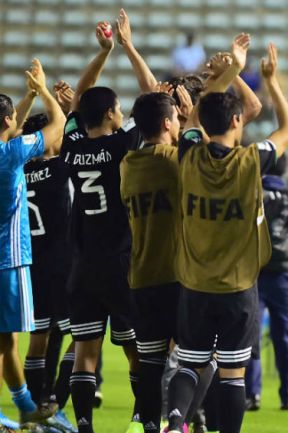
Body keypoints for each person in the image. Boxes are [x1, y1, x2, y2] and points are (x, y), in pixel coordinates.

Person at [166, 35, 288, 433]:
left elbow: (192, 124)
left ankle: (174, 419)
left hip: (195, 281)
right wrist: (267, 79)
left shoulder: (189, 154)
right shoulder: (250, 161)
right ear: (238, 121)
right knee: (233, 373)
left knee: (190, 362)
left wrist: (229, 72)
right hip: (238, 285)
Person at [61, 22, 144, 433]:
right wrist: (126, 47)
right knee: (136, 348)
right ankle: (139, 419)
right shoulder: (119, 145)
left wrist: (103, 54)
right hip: (121, 262)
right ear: (112, 114)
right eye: (117, 109)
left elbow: (77, 99)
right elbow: (150, 99)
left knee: (85, 353)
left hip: (83, 265)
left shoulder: (73, 148)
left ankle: (84, 427)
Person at [119, 88, 191, 433]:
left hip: (141, 275)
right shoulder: (175, 160)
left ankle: (147, 424)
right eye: (176, 118)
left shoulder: (127, 165)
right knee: (196, 358)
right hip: (176, 273)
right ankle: (182, 422)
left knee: (150, 363)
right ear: (167, 123)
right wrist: (192, 127)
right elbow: (206, 165)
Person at [0, 58, 64, 427]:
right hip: (9, 259)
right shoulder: (11, 156)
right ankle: (19, 407)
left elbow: (11, 128)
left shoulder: (7, 148)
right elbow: (55, 128)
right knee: (5, 343)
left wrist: (24, 99)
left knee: (5, 341)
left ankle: (24, 407)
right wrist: (42, 92)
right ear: (8, 122)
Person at [22, 112, 78, 433]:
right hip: (64, 265)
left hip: (31, 265)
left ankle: (34, 407)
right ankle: (56, 401)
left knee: (37, 339)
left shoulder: (15, 170)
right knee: (84, 338)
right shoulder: (60, 168)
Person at [246, 154, 288, 411]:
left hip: (254, 274)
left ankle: (251, 394)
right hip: (287, 276)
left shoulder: (252, 192)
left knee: (251, 337)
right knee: (286, 337)